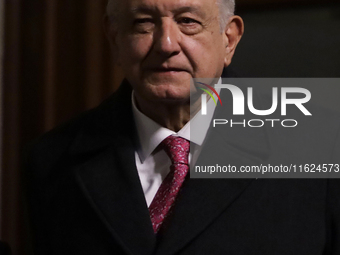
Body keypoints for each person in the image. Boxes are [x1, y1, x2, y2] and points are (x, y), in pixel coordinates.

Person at [25, 0, 340, 254]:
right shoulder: (53, 158)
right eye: (143, 23)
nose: (165, 44)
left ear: (229, 39)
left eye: (188, 21)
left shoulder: (321, 143)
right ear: (114, 37)